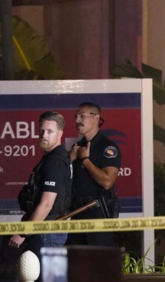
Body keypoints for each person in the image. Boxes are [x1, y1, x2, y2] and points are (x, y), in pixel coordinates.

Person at [9, 111, 72, 275]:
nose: (44, 135)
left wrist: (24, 232)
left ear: (60, 133)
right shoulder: (51, 158)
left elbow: (47, 203)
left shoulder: (55, 162)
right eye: (42, 131)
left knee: (48, 279)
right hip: (46, 230)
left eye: (50, 131)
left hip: (48, 232)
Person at [66, 102, 121, 246]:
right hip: (76, 213)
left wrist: (85, 160)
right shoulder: (76, 147)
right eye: (75, 117)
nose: (77, 121)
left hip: (97, 215)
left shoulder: (107, 147)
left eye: (82, 116)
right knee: (75, 264)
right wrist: (68, 161)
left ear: (96, 118)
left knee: (98, 265)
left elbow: (107, 182)